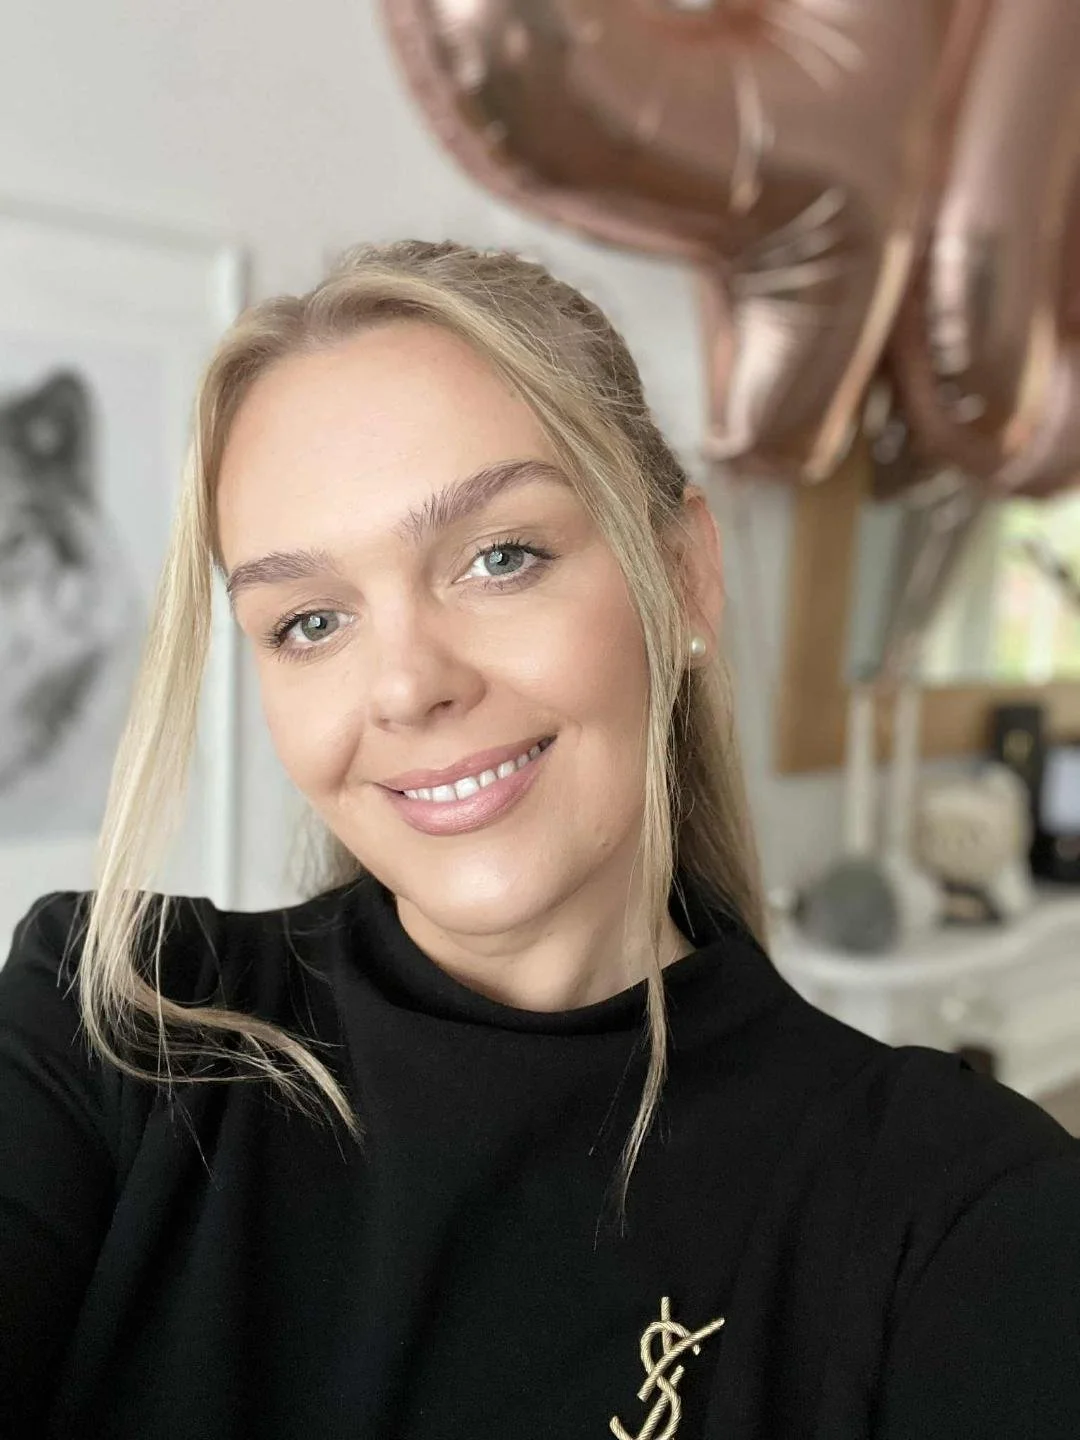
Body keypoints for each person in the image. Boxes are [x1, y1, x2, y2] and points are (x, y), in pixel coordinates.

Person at [1, 239, 1078, 1440]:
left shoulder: (955, 1212)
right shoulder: (107, 1028)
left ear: (683, 577)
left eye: (498, 558)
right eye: (309, 621)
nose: (406, 686)